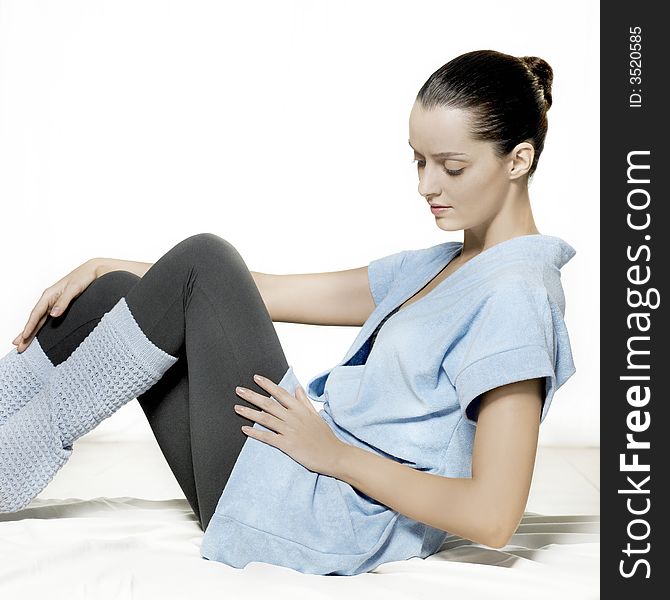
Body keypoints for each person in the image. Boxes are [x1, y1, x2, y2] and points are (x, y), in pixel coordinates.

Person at [0, 49, 576, 576]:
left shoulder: (517, 294)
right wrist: (111, 264)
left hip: (325, 510)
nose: (427, 185)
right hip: (287, 476)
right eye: (417, 161)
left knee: (205, 256)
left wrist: (335, 455)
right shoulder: (443, 264)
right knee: (115, 292)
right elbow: (265, 293)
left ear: (518, 160)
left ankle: (12, 459)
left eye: (451, 167)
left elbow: (494, 516)